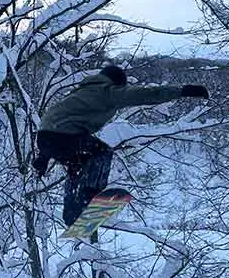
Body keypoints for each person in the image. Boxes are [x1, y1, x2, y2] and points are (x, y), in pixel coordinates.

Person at [32, 63, 209, 227]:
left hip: (47, 138)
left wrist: (43, 157)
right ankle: (89, 200)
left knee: (78, 165)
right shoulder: (108, 91)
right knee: (102, 153)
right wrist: (183, 91)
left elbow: (53, 122)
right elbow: (148, 94)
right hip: (65, 137)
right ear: (117, 83)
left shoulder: (78, 93)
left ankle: (72, 212)